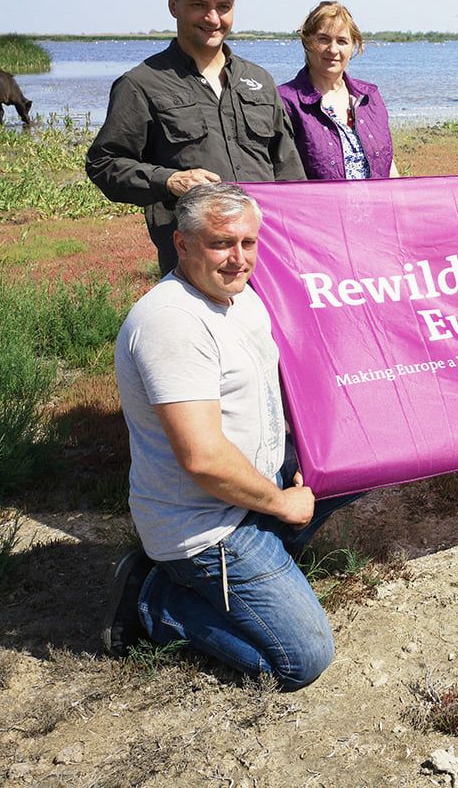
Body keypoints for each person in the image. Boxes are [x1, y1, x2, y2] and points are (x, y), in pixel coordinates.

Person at [102, 182, 347, 689]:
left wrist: (307, 456)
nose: (239, 259)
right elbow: (204, 459)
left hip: (253, 485)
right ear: (182, 243)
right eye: (221, 243)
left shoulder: (240, 298)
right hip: (207, 525)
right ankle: (156, 600)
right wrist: (284, 504)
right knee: (302, 660)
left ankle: (270, 552)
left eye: (249, 243)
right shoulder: (173, 323)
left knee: (356, 463)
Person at [85, 0, 305, 274]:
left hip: (267, 255)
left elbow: (288, 168)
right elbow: (104, 163)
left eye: (224, 6)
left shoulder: (257, 80)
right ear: (173, 5)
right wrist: (171, 180)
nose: (213, 17)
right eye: (198, 4)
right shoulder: (141, 83)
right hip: (194, 262)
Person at [277, 1, 399, 180]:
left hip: (377, 206)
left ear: (353, 46)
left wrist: (401, 203)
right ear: (307, 41)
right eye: (323, 39)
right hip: (320, 207)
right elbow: (280, 171)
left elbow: (389, 165)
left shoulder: (369, 97)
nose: (333, 49)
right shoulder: (285, 101)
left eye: (342, 41)